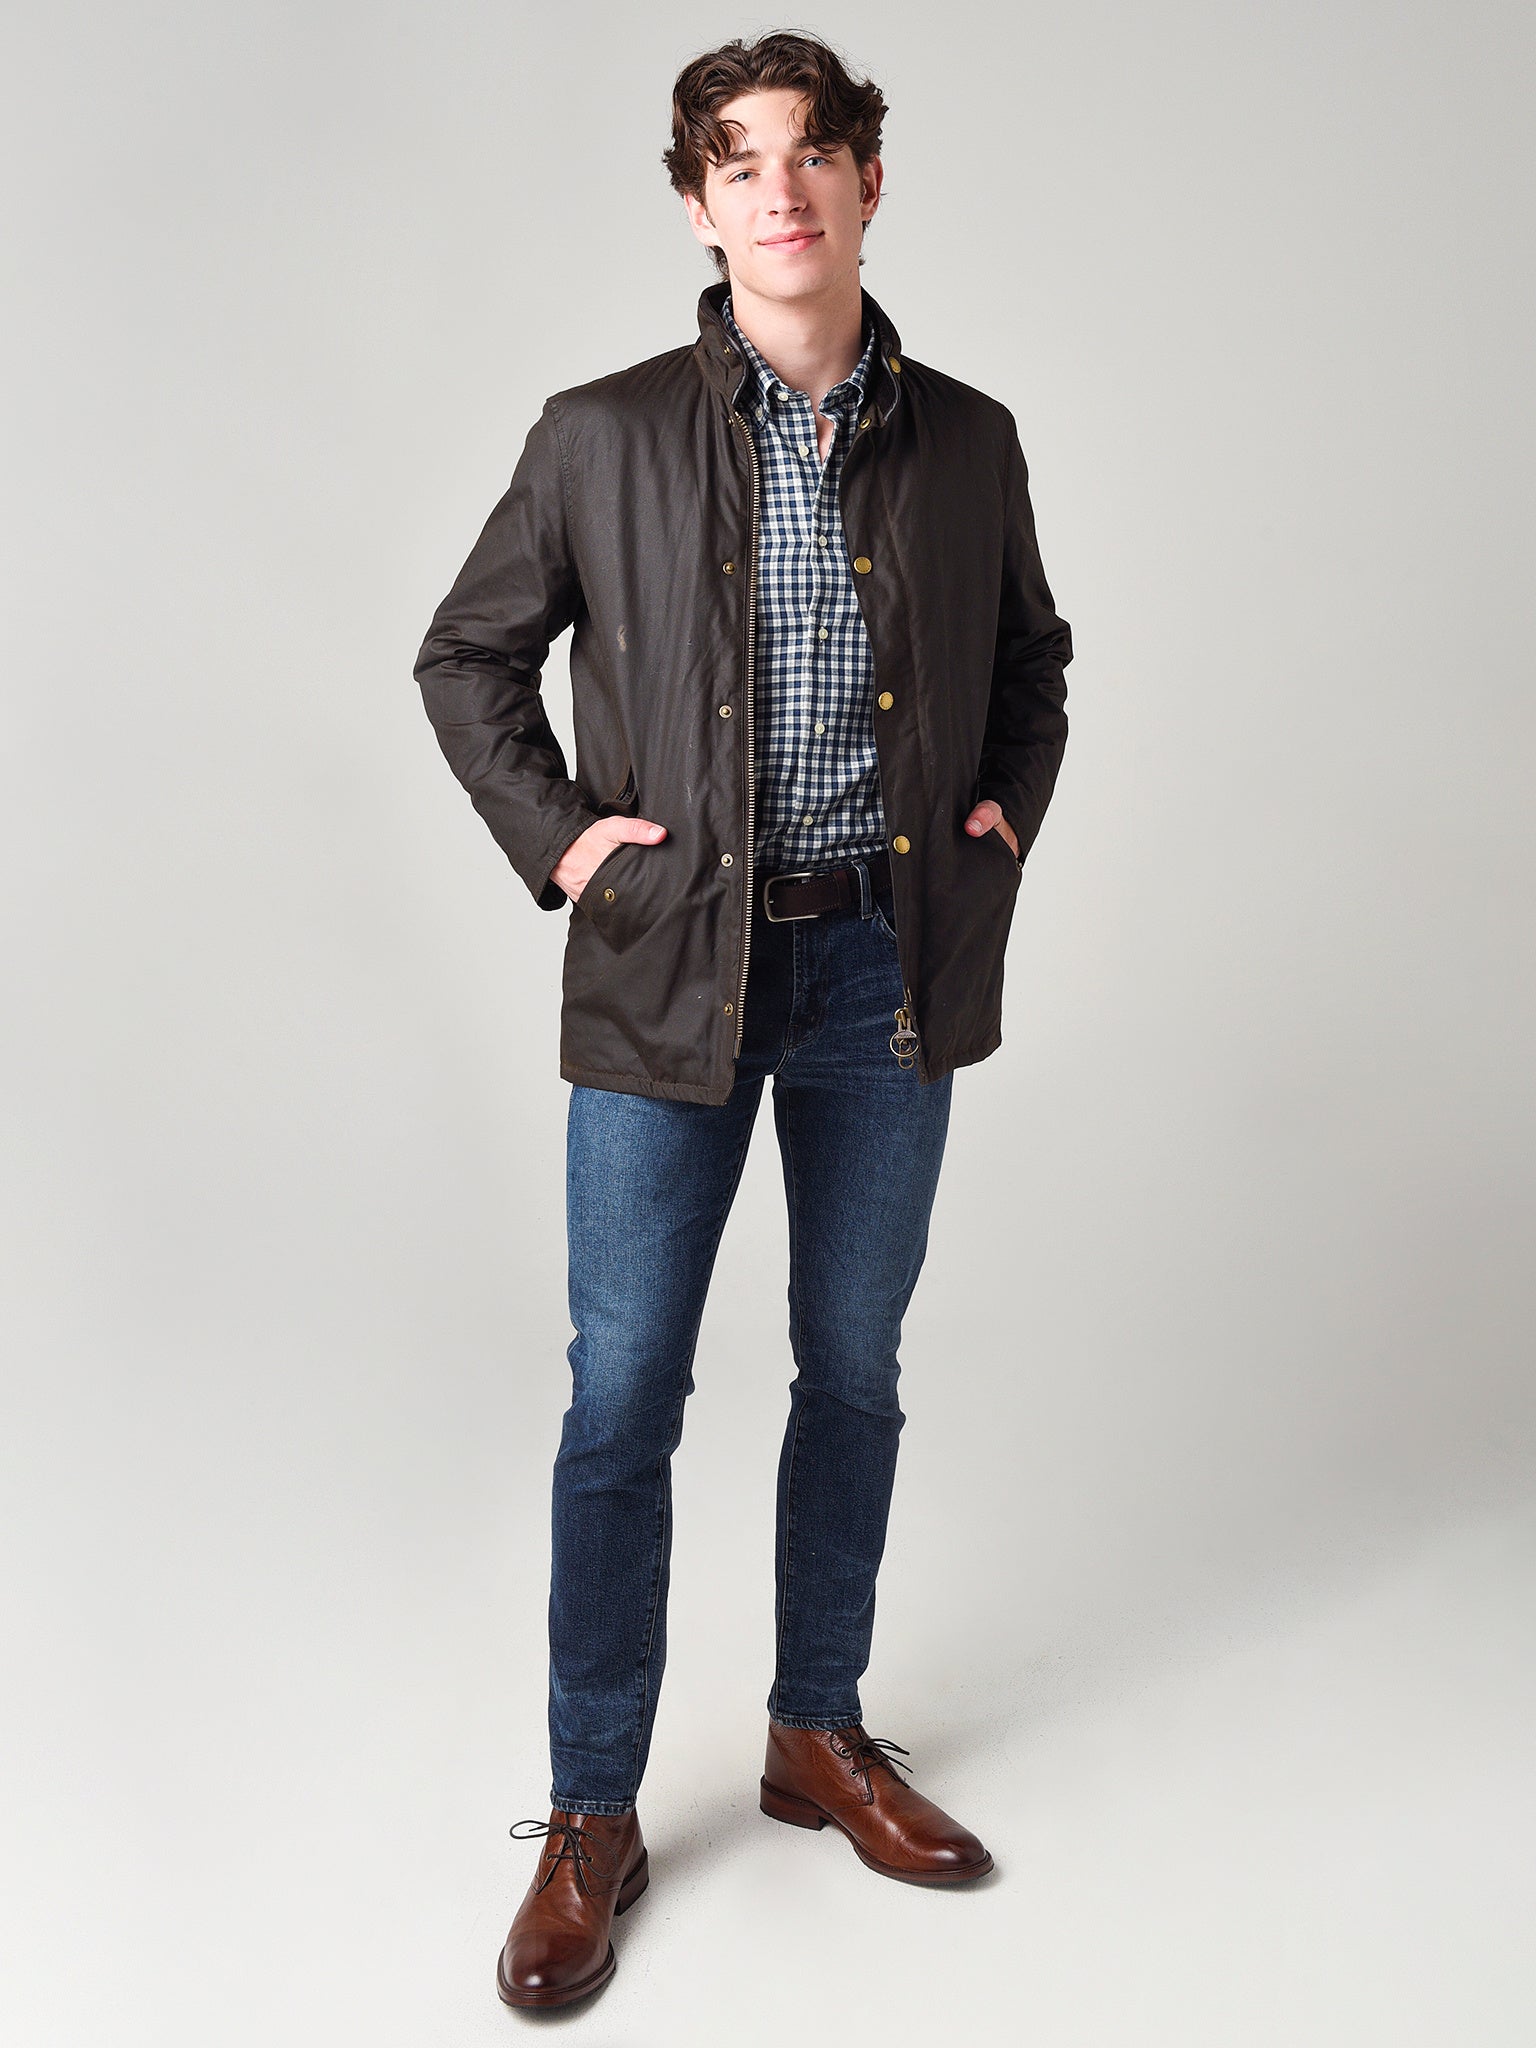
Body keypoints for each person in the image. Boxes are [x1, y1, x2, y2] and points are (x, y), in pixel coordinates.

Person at [414, 29, 1073, 2011]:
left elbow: (1033, 662)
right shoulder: (600, 432)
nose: (780, 191)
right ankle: (591, 1809)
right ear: (698, 206)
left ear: (868, 182)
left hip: (883, 969)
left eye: (812, 154)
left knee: (853, 1366)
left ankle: (814, 1731)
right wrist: (566, 846)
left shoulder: (968, 440)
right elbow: (467, 660)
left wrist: (1000, 815)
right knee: (623, 1396)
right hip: (665, 971)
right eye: (738, 161)